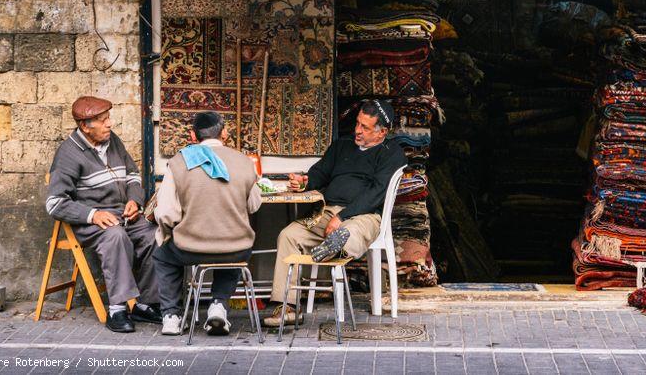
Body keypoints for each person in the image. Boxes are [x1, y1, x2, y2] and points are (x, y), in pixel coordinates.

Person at [262, 99, 406, 327]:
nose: (357, 130)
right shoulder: (342, 145)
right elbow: (321, 173)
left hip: (364, 216)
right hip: (326, 213)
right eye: (358, 124)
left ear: (382, 133)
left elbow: (375, 194)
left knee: (350, 232)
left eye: (365, 128)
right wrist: (304, 182)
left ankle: (335, 245)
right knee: (289, 235)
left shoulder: (392, 154)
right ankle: (287, 306)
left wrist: (343, 217)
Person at [45, 96, 161, 333]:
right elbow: (54, 203)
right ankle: (117, 309)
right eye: (102, 120)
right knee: (115, 236)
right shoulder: (68, 153)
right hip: (93, 221)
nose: (109, 124)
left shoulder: (113, 141)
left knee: (155, 235)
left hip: (123, 214)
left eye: (108, 118)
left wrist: (134, 199)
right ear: (85, 125)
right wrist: (93, 214)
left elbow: (133, 176)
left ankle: (145, 303)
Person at [152, 112, 262, 336]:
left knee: (162, 254)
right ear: (224, 133)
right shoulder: (244, 161)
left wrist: (167, 234)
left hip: (190, 250)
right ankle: (219, 305)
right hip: (236, 249)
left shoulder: (178, 163)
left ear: (193, 136)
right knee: (232, 247)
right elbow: (254, 205)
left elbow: (165, 213)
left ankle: (171, 316)